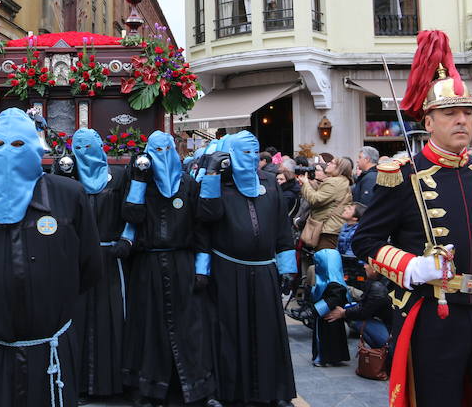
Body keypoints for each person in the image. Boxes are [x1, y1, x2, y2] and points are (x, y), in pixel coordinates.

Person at [0, 108, 102, 407]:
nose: (8, 154)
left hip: (50, 350)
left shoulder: (69, 195)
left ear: (35, 148)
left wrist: (51, 297)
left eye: (18, 145)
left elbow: (88, 267)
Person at [353, 30, 472, 406]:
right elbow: (366, 241)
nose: (462, 121)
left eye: (468, 112)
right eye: (450, 113)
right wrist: (413, 267)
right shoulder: (402, 174)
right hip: (436, 316)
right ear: (429, 119)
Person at [121, 131, 220, 407]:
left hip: (182, 264)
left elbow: (201, 228)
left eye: (165, 149)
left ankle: (195, 388)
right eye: (155, 151)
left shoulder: (188, 184)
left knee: (189, 328)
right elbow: (131, 216)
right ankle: (148, 389)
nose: (161, 156)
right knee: (148, 327)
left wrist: (202, 268)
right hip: (148, 265)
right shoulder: (140, 182)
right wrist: (140, 181)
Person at [197, 131, 297, 407]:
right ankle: (225, 392)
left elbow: (282, 227)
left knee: (269, 333)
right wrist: (213, 175)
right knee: (227, 333)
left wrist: (288, 266)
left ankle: (275, 391)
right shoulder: (218, 182)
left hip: (264, 270)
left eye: (255, 153)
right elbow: (206, 219)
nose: (252, 159)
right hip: (227, 270)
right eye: (245, 153)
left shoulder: (269, 182)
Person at [67, 128, 132, 401]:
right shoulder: (69, 177)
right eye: (78, 148)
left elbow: (132, 210)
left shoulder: (118, 177)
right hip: (80, 263)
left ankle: (114, 383)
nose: (84, 153)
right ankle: (81, 385)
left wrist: (127, 240)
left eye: (89, 146)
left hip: (110, 259)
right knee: (79, 320)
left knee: (113, 320)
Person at [324, 262, 392, 349]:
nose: (364, 266)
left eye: (367, 264)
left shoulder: (378, 288)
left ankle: (383, 349)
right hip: (388, 326)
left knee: (355, 321)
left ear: (375, 269)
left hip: (390, 332)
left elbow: (363, 311)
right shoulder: (381, 283)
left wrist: (343, 313)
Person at [296, 157, 352, 250]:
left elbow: (315, 199)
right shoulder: (341, 180)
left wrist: (305, 183)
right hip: (333, 227)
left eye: (332, 163)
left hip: (327, 229)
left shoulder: (334, 182)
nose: (328, 164)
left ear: (339, 168)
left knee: (324, 258)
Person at [309, 249, 350, 367]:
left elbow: (334, 299)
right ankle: (334, 357)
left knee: (324, 339)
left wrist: (316, 309)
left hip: (327, 315)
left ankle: (323, 358)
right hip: (329, 316)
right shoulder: (335, 281)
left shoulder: (334, 283)